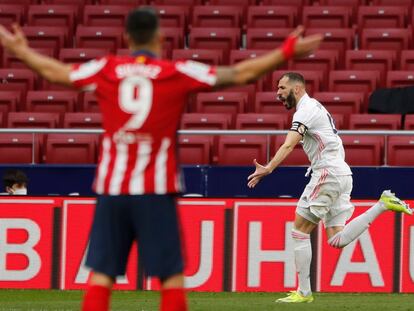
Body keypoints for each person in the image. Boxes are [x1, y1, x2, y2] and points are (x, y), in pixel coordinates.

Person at [0, 7, 322, 311]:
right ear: (160, 38)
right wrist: (285, 52)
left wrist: (22, 50)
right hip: (155, 191)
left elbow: (54, 72)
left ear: (127, 38)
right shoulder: (175, 72)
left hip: (113, 189)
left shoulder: (106, 68)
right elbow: (238, 73)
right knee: (170, 279)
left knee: (101, 276)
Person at [247, 72, 413, 303]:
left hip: (328, 173)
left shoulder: (306, 111)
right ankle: (382, 205)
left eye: (282, 88)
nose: (278, 93)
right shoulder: (315, 107)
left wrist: (269, 168)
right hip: (341, 173)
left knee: (299, 231)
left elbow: (288, 144)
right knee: (336, 239)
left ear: (296, 89)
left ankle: (304, 293)